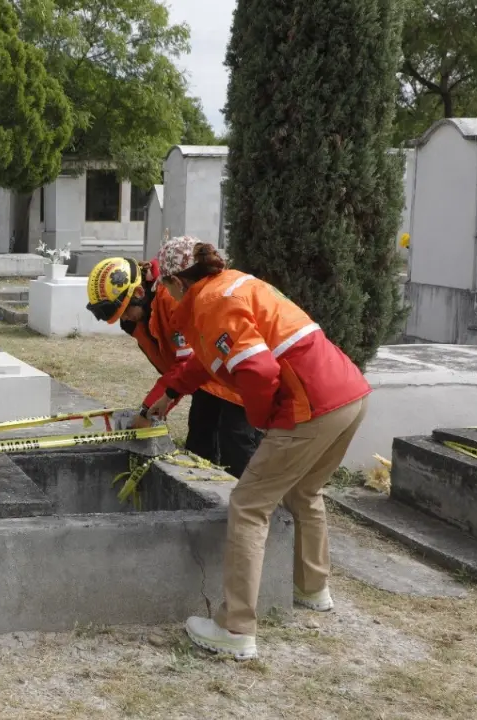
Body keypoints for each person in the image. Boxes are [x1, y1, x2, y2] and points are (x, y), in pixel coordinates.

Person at [142, 238, 370, 660]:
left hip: (312, 405)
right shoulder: (232, 286)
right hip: (349, 394)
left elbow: (258, 368)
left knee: (248, 504)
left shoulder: (210, 303)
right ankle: (312, 588)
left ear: (174, 280)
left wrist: (262, 418)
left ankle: (235, 627)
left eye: (165, 286)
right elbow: (203, 362)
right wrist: (166, 395)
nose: (165, 294)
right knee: (305, 491)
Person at [84, 252, 262, 477]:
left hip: (232, 377)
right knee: (199, 443)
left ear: (138, 292)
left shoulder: (170, 298)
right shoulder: (139, 316)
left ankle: (257, 506)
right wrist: (163, 400)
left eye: (125, 312)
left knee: (237, 446)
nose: (125, 319)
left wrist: (148, 410)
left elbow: (185, 359)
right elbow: (176, 363)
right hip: (204, 378)